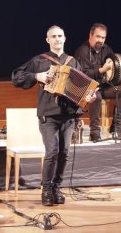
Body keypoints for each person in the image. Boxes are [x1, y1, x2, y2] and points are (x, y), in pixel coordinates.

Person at [11, 25, 97, 206]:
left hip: (68, 115)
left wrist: (88, 97)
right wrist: (37, 76)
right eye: (54, 36)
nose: (57, 39)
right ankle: (47, 188)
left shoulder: (73, 62)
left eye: (60, 36)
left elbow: (81, 89)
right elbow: (16, 77)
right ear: (47, 40)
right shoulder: (39, 61)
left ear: (65, 39)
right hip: (48, 115)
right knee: (52, 152)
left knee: (64, 153)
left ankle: (57, 187)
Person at [74, 23, 121, 141]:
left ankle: (116, 128)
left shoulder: (106, 49)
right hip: (87, 87)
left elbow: (113, 65)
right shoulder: (82, 51)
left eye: (103, 38)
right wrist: (101, 70)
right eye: (98, 37)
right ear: (90, 35)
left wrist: (113, 72)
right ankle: (94, 131)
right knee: (96, 96)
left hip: (103, 86)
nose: (100, 40)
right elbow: (82, 74)